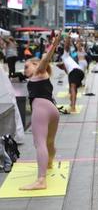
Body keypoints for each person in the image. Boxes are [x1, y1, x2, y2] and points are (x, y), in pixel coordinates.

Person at [19, 34, 61, 190]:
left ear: (36, 65)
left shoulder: (39, 71)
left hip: (42, 109)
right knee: (49, 142)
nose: (24, 69)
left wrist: (53, 45)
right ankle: (49, 162)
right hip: (52, 110)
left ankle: (41, 180)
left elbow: (45, 60)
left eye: (26, 66)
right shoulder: (43, 75)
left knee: (40, 143)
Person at [59, 36, 85, 113]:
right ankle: (71, 104)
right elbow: (68, 73)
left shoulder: (65, 56)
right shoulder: (67, 63)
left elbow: (66, 46)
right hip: (80, 72)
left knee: (72, 88)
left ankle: (73, 106)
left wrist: (67, 37)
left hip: (75, 71)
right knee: (73, 88)